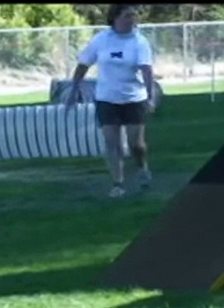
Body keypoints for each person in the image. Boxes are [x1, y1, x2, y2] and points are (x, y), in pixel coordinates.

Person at [66, 4, 156, 198]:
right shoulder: (101, 40)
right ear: (115, 18)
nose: (131, 20)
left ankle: (142, 168)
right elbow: (83, 65)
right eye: (127, 16)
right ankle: (118, 183)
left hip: (134, 98)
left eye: (133, 16)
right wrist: (73, 90)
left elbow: (147, 71)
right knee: (112, 142)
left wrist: (150, 96)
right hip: (107, 99)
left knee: (136, 144)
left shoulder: (139, 42)